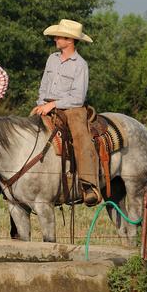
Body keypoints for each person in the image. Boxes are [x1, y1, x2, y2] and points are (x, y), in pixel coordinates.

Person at [30, 18, 101, 207]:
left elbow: (78, 97)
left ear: (70, 40)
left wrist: (52, 105)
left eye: (59, 36)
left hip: (72, 108)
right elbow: (44, 85)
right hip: (46, 105)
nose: (55, 39)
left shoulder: (80, 65)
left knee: (81, 139)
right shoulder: (52, 59)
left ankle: (88, 185)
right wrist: (40, 104)